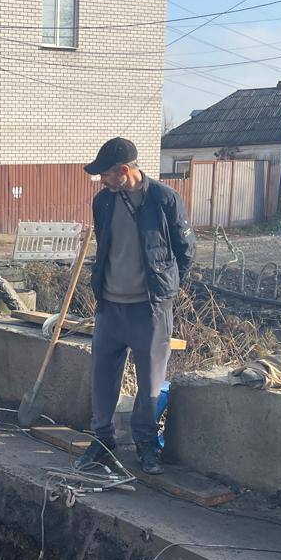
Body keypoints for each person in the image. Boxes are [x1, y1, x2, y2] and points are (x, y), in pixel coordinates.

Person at [75, 137, 194, 476]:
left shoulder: (164, 200)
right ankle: (102, 441)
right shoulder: (104, 202)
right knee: (102, 376)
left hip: (151, 309)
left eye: (106, 174)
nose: (101, 181)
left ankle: (145, 445)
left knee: (151, 383)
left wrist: (165, 289)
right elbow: (107, 247)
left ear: (123, 171)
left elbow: (185, 250)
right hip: (110, 306)